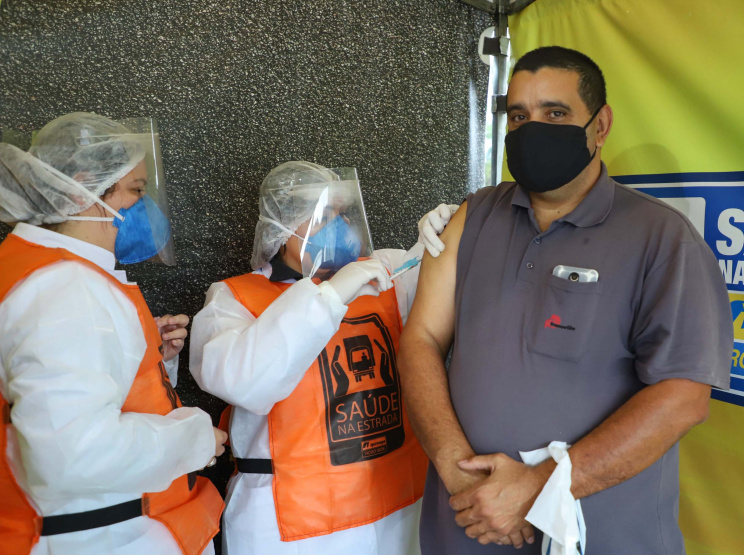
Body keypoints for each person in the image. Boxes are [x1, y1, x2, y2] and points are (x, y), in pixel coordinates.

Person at [399, 46, 734, 554]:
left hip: (599, 536)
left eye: (555, 113)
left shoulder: (662, 239)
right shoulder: (474, 216)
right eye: (519, 116)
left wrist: (538, 488)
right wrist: (458, 472)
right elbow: (421, 338)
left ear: (600, 126)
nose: (533, 129)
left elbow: (684, 398)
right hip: (466, 525)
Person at [189, 161, 456, 555]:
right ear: (282, 228)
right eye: (323, 216)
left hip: (396, 509)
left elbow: (444, 286)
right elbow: (244, 383)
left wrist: (447, 233)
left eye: (342, 213)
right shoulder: (235, 299)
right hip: (293, 526)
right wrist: (329, 297)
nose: (339, 226)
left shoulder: (383, 273)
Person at [0, 112, 225, 555]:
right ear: (83, 188)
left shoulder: (41, 269)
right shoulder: (65, 287)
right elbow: (73, 454)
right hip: (101, 537)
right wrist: (194, 439)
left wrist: (146, 357)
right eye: (136, 190)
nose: (145, 205)